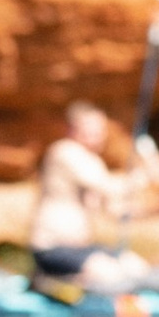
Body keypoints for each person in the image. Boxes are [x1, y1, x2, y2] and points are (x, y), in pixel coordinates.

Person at [31, 101, 132, 282]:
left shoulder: (93, 162)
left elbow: (113, 208)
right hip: (52, 248)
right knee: (111, 274)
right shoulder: (65, 151)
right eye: (88, 129)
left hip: (81, 248)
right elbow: (107, 186)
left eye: (99, 129)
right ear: (71, 129)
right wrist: (141, 177)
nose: (96, 135)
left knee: (133, 266)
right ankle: (52, 284)